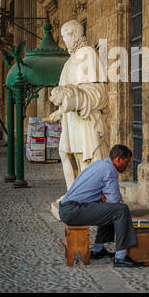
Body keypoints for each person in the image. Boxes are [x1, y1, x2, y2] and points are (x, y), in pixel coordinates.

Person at [59, 144, 144, 268]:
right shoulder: (110, 170)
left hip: (68, 208)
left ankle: (98, 250)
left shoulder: (99, 164)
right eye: (126, 162)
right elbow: (115, 201)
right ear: (118, 159)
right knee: (121, 210)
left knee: (109, 209)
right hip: (73, 210)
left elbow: (108, 201)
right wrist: (107, 199)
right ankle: (121, 256)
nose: (127, 166)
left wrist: (103, 198)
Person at [47, 19, 109, 190]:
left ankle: (86, 195)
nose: (63, 41)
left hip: (85, 117)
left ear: (74, 35)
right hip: (71, 119)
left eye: (65, 36)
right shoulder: (71, 60)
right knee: (66, 153)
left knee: (84, 158)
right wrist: (60, 110)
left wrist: (75, 96)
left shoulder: (88, 53)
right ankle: (73, 194)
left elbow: (99, 92)